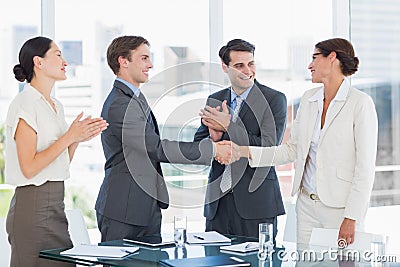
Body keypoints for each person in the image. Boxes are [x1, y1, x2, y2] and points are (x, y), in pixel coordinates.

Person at [218, 38, 378, 246]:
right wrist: (241, 151)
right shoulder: (309, 99)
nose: (310, 65)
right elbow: (290, 150)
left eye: (314, 58)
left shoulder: (360, 103)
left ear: (332, 58)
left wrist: (352, 217)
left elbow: (365, 169)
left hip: (340, 210)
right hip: (306, 208)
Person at [95, 35, 230, 242]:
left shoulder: (134, 98)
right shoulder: (119, 104)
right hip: (123, 209)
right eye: (144, 58)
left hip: (144, 207)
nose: (150, 64)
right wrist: (212, 150)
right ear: (123, 61)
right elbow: (155, 147)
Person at [5, 36, 108, 267]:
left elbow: (60, 164)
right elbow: (29, 168)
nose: (65, 62)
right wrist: (69, 136)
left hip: (55, 207)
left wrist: (77, 139)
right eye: (58, 54)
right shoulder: (24, 104)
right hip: (31, 208)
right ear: (38, 62)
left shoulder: (55, 105)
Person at [195, 39, 287, 239]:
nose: (247, 70)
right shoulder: (215, 99)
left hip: (257, 205)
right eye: (239, 65)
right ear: (224, 67)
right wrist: (214, 138)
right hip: (218, 206)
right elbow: (198, 146)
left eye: (251, 63)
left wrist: (228, 126)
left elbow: (269, 146)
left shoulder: (273, 99)